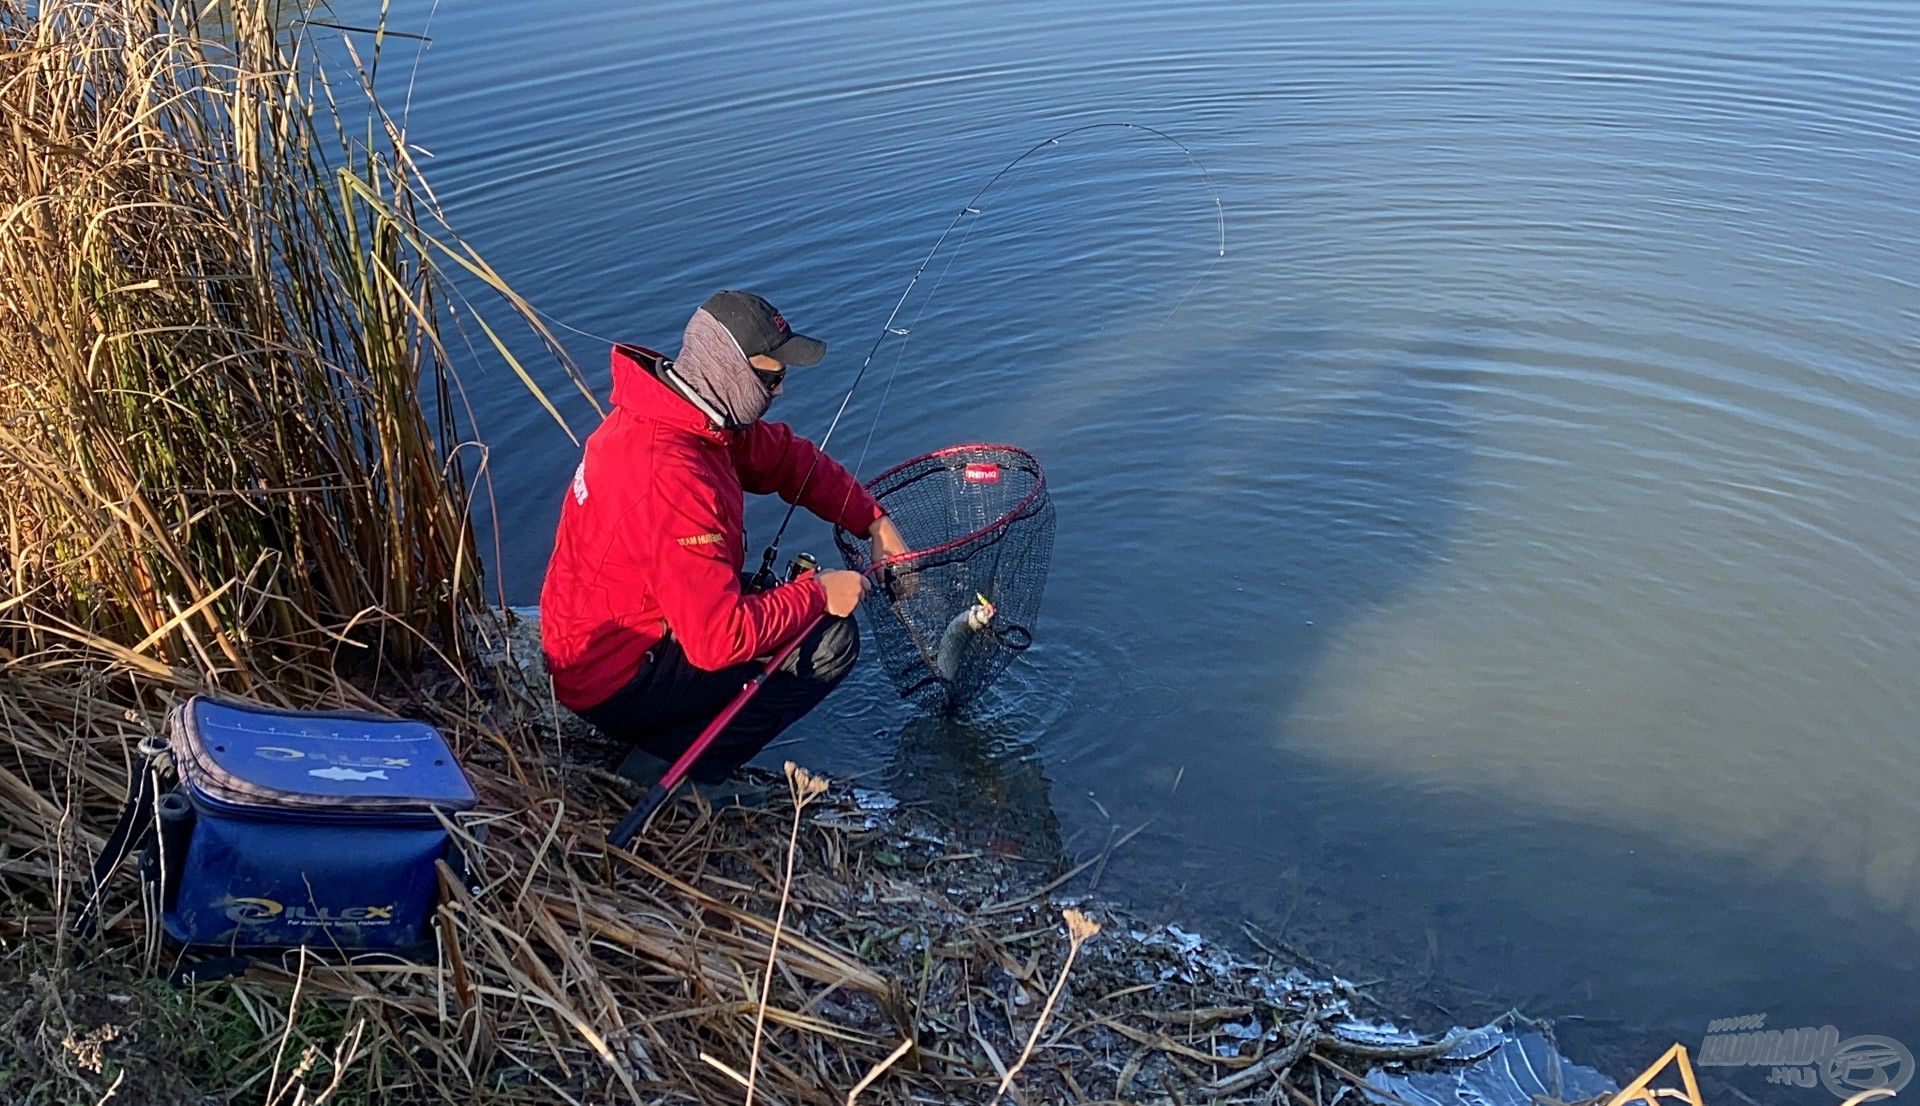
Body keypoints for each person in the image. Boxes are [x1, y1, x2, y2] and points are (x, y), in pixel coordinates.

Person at [538, 290, 910, 787]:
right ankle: (678, 771)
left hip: (612, 633)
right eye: (771, 377)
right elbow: (718, 640)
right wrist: (819, 593)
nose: (778, 392)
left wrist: (874, 522)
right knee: (830, 640)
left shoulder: (683, 412)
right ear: (729, 370)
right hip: (614, 677)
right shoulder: (672, 472)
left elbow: (787, 461)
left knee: (772, 603)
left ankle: (675, 735)